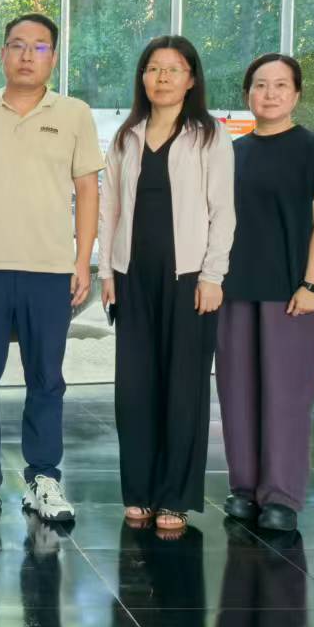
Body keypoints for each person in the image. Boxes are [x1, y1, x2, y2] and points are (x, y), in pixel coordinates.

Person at [0, 13, 102, 523]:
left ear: (53, 57)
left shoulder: (75, 114)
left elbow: (88, 191)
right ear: (2, 54)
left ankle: (44, 478)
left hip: (50, 269)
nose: (27, 55)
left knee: (47, 379)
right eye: (17, 45)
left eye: (39, 47)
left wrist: (82, 259)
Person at [99, 35, 234, 536]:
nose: (162, 78)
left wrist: (213, 275)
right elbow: (110, 210)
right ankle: (138, 489)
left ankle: (176, 495)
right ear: (143, 77)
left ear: (191, 79)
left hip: (189, 278)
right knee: (134, 388)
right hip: (132, 276)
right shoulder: (126, 136)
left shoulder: (208, 136)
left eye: (173, 69)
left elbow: (224, 212)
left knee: (183, 388)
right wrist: (106, 272)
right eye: (153, 68)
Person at [217, 53, 314, 533]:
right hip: (235, 288)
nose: (269, 93)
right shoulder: (232, 153)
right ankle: (244, 487)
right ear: (247, 94)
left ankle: (281, 494)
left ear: (296, 94)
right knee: (237, 391)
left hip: (292, 292)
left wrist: (313, 284)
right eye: (260, 85)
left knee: (285, 395)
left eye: (280, 85)